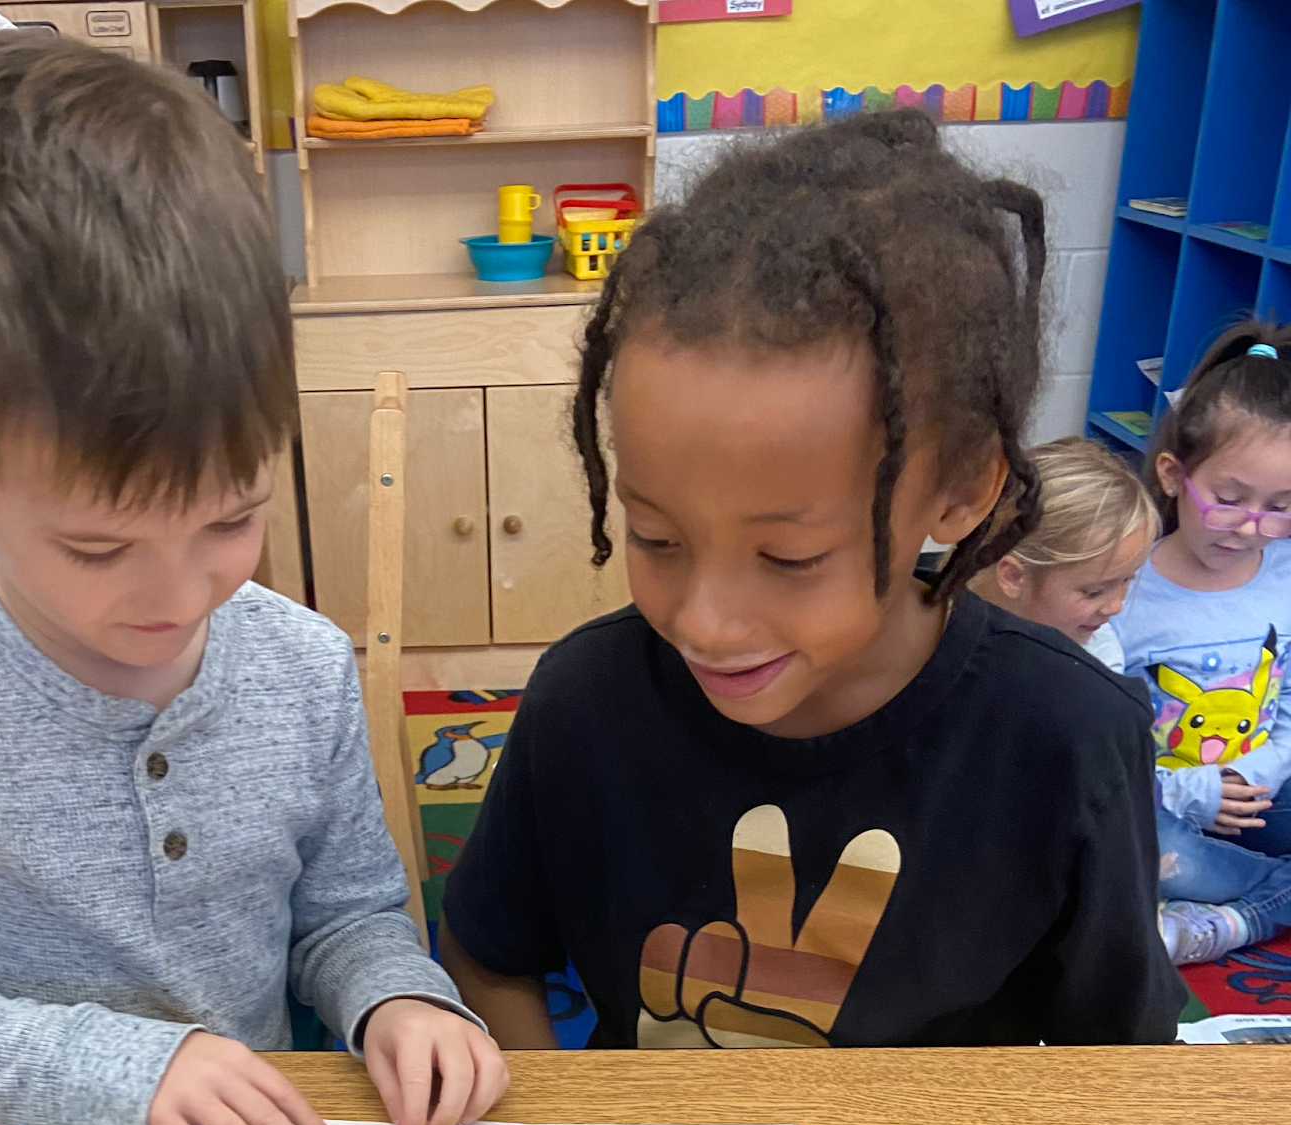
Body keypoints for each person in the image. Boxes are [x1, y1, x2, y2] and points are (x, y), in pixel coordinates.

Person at [0, 31, 505, 1125]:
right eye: (97, 545)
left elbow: (347, 912)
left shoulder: (300, 663)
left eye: (230, 519)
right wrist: (126, 1067)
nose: (179, 596)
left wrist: (397, 998)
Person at [438, 110, 1185, 1049]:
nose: (704, 623)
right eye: (657, 537)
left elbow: (1114, 1061)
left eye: (790, 559)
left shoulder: (1067, 736)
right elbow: (488, 957)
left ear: (961, 495)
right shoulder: (585, 701)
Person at [1094, 322, 1291, 967]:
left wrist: (1250, 775)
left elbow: (1287, 706)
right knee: (1106, 838)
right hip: (1165, 808)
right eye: (1230, 499)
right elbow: (1102, 749)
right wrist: (1194, 790)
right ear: (1174, 475)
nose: (1250, 527)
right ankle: (1218, 917)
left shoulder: (1284, 574)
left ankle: (1201, 914)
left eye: (1281, 506)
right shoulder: (1127, 589)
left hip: (1260, 795)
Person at [969, 436, 1155, 645]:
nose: (1116, 607)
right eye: (1094, 592)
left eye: (1127, 579)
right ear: (1013, 576)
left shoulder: (1100, 646)